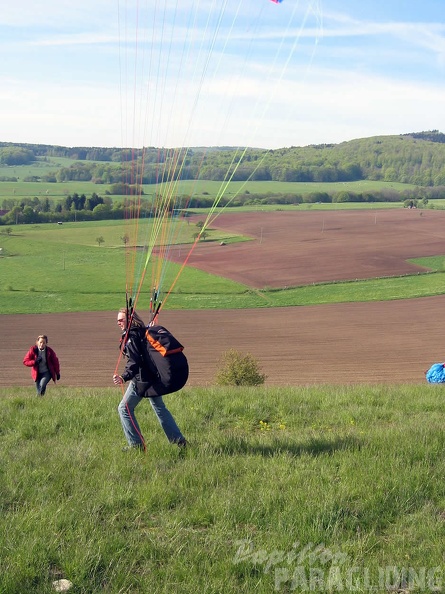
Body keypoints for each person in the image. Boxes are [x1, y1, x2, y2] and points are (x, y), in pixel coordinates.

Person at [113, 308, 187, 452]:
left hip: (141, 380)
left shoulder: (132, 336)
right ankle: (179, 441)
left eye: (121, 320)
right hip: (153, 377)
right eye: (117, 320)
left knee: (124, 409)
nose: (118, 323)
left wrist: (124, 376)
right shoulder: (143, 331)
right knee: (159, 408)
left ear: (130, 319)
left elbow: (134, 361)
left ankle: (136, 446)